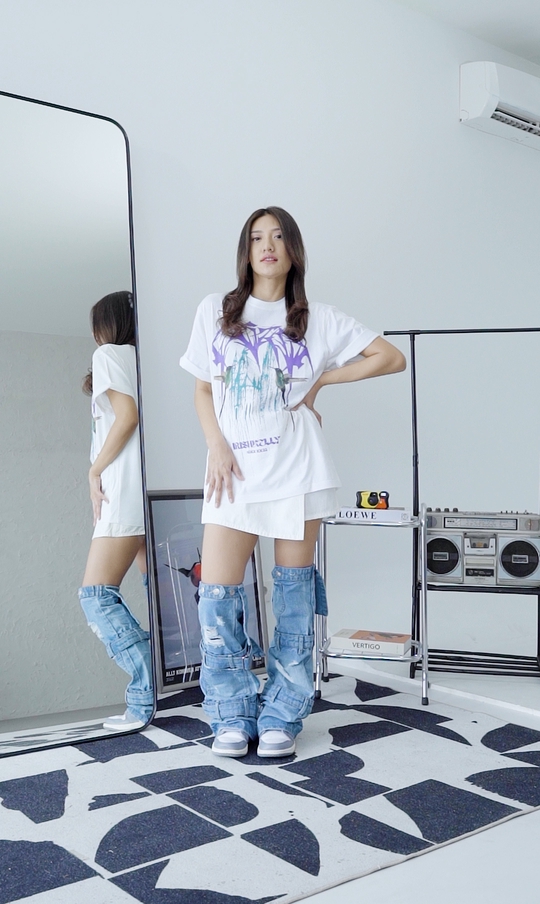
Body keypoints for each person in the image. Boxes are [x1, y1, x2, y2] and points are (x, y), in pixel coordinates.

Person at [180, 207, 405, 759]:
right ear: (246, 251)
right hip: (233, 472)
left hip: (298, 471)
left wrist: (323, 378)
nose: (267, 245)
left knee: (294, 599)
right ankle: (232, 712)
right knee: (216, 600)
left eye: (278, 236)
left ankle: (283, 712)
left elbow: (390, 357)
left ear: (293, 249)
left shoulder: (318, 319)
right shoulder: (216, 310)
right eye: (257, 237)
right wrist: (215, 445)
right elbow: (203, 389)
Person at [78, 290, 154, 731]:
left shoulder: (108, 354)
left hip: (123, 493)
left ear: (104, 326)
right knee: (157, 593)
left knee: (96, 596)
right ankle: (177, 685)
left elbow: (126, 417)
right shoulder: (147, 362)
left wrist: (94, 471)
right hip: (150, 490)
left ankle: (146, 691)